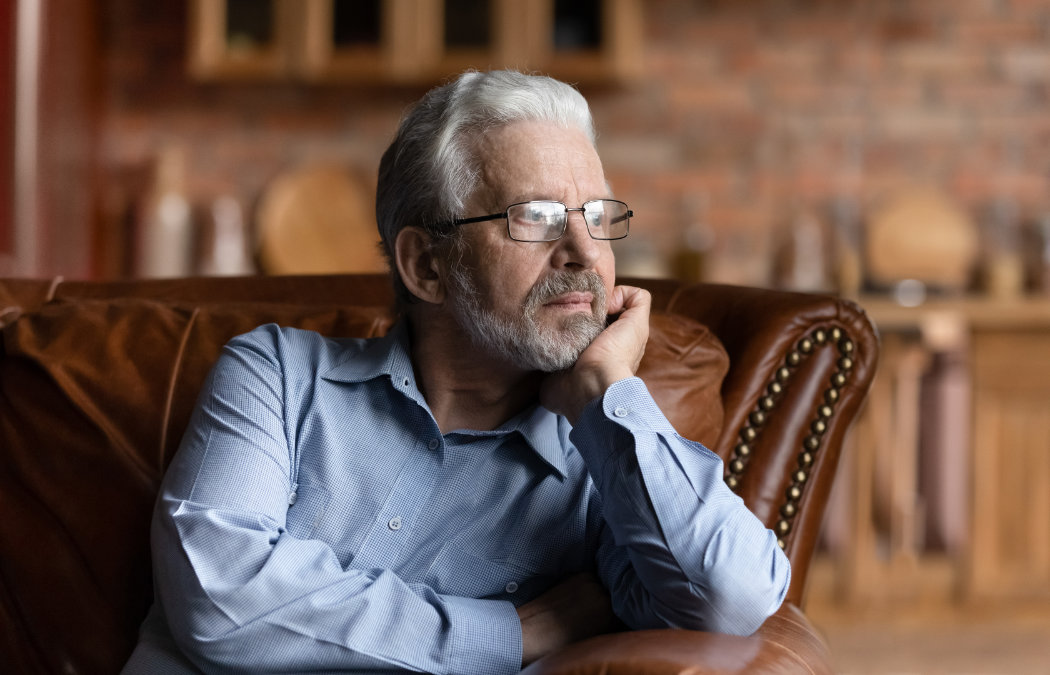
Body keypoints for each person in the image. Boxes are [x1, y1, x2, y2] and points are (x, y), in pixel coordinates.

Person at [124, 69, 789, 675]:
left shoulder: (605, 471)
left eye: (596, 215)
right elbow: (218, 598)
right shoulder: (276, 376)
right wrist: (513, 632)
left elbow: (733, 598)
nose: (585, 251)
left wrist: (604, 390)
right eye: (536, 217)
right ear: (426, 266)